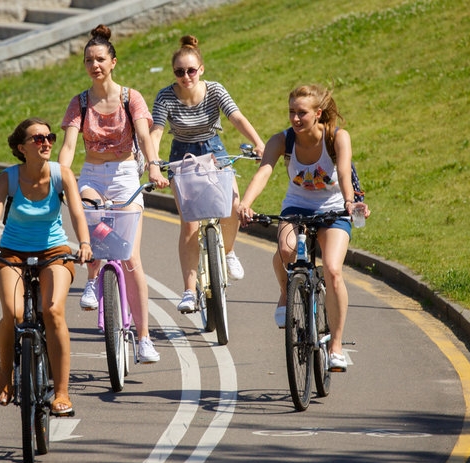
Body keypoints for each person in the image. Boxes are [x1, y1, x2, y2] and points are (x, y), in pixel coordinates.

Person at [0, 117, 92, 415]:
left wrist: (84, 243)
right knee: (14, 313)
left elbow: (77, 214)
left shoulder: (62, 175)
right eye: (38, 138)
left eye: (49, 137)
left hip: (54, 250)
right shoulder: (8, 178)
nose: (46, 143)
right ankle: (5, 373)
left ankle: (62, 392)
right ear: (22, 148)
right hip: (12, 252)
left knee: (54, 311)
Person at [237, 84, 370, 372]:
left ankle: (336, 346)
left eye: (302, 113)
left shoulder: (337, 137)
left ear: (318, 113)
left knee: (332, 270)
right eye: (291, 112)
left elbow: (344, 172)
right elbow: (264, 171)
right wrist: (246, 203)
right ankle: (286, 292)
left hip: (334, 208)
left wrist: (350, 202)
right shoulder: (282, 140)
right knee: (286, 251)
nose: (295, 119)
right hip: (297, 206)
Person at [58, 24, 169, 363]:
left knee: (131, 258)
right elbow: (69, 146)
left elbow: (144, 136)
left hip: (124, 176)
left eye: (100, 59)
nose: (95, 65)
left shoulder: (130, 98)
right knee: (88, 217)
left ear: (113, 62)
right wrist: (58, 176)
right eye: (89, 60)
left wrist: (153, 166)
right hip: (92, 175)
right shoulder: (79, 103)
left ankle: (144, 339)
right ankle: (93, 278)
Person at [150, 34, 265, 313]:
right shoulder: (165, 96)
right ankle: (189, 291)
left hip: (213, 150)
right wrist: (152, 163)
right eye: (179, 72)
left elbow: (236, 117)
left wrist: (259, 143)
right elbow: (156, 131)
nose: (185, 77)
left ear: (201, 69)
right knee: (189, 224)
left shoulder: (214, 90)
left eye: (191, 70)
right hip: (183, 156)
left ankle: (228, 251)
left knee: (232, 205)